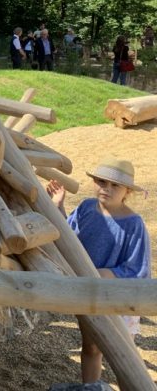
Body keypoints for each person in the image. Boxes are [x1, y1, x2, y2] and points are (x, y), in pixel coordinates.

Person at [47, 158, 150, 384]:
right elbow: (69, 239)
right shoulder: (86, 208)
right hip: (88, 293)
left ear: (127, 192)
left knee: (123, 353)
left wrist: (103, 273)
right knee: (91, 347)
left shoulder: (134, 224)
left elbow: (137, 269)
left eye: (115, 185)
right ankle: (90, 387)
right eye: (102, 182)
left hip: (118, 299)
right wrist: (58, 206)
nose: (107, 189)